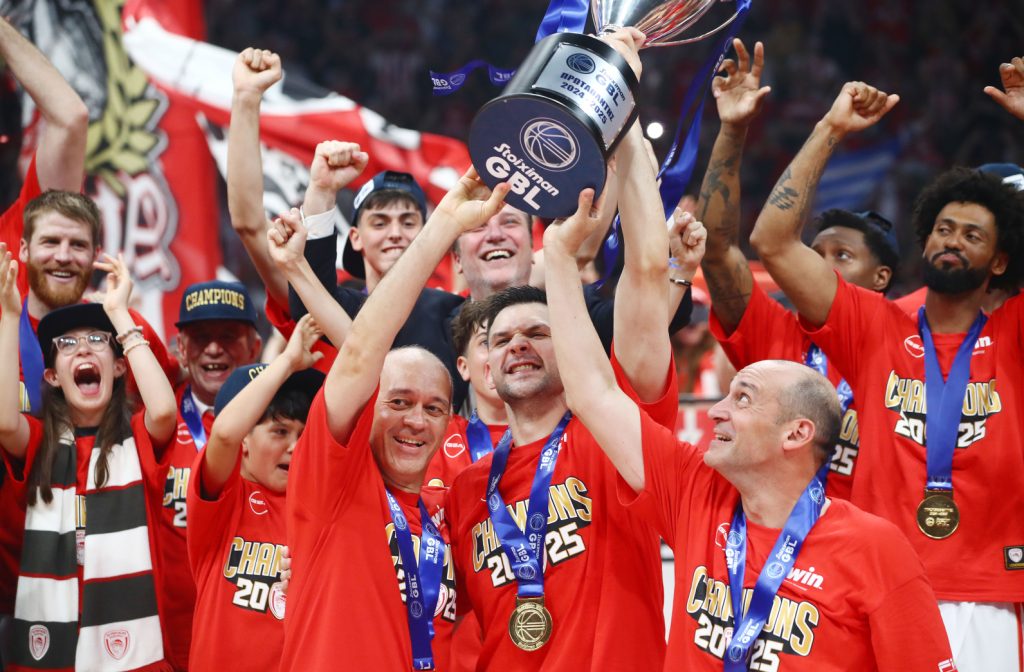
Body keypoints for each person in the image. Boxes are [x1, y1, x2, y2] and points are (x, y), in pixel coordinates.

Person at [542, 188, 956, 670]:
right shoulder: (695, 492)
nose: (716, 412)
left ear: (796, 433)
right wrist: (558, 258)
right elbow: (593, 391)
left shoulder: (875, 548)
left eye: (743, 398)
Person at [444, 28, 703, 670]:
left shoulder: (616, 433)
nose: (518, 346)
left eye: (538, 333)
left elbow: (646, 270)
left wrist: (621, 106)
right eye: (501, 339)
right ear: (481, 367)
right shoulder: (465, 489)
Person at [750, 74, 1024, 670]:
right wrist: (830, 130)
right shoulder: (874, 326)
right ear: (925, 240)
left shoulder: (1014, 334)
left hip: (983, 592)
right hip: (875, 584)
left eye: (972, 235)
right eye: (944, 229)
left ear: (1000, 261)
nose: (953, 241)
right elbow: (772, 241)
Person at [276, 166, 508, 670]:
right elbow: (360, 351)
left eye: (433, 408)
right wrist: (444, 223)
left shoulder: (447, 517)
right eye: (398, 402)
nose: (416, 421)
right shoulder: (334, 481)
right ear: (369, 404)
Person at [286, 139, 694, 411]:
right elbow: (313, 308)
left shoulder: (575, 313)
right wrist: (321, 192)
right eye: (478, 226)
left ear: (532, 244)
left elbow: (652, 320)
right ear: (456, 261)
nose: (495, 233)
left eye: (511, 222)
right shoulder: (419, 315)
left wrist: (676, 263)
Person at [697, 39, 898, 500]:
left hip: (868, 536)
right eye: (815, 251)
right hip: (772, 538)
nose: (818, 265)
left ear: (881, 279)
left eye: (842, 256)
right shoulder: (776, 337)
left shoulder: (908, 343)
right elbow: (717, 251)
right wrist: (732, 130)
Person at [0, 248, 176, 670]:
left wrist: (119, 315)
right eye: (67, 344)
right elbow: (5, 422)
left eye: (97, 340)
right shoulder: (40, 439)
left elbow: (164, 411)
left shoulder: (137, 435)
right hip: (51, 643)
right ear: (51, 376)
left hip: (131, 647)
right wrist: (9, 317)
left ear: (118, 368)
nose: (83, 349)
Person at [186, 315, 322, 672]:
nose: (295, 447)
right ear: (245, 438)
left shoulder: (317, 508)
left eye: (303, 435)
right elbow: (224, 434)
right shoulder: (224, 498)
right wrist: (287, 361)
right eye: (279, 431)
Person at [157, 279, 262, 670]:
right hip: (166, 644)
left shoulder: (283, 423)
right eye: (201, 337)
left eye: (229, 336)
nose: (214, 348)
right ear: (181, 349)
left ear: (254, 347)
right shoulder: (157, 420)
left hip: (250, 644)